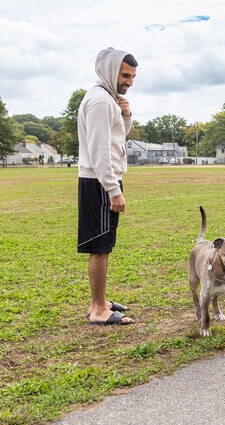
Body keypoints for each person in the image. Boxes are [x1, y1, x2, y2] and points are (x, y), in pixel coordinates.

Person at [77, 47, 138, 325]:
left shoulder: (109, 100)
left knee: (104, 243)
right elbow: (99, 151)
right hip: (100, 181)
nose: (129, 82)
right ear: (111, 71)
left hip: (102, 179)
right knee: (100, 246)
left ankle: (97, 301)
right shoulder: (101, 102)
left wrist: (125, 116)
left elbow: (116, 139)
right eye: (125, 75)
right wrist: (114, 190)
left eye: (133, 76)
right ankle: (99, 310)